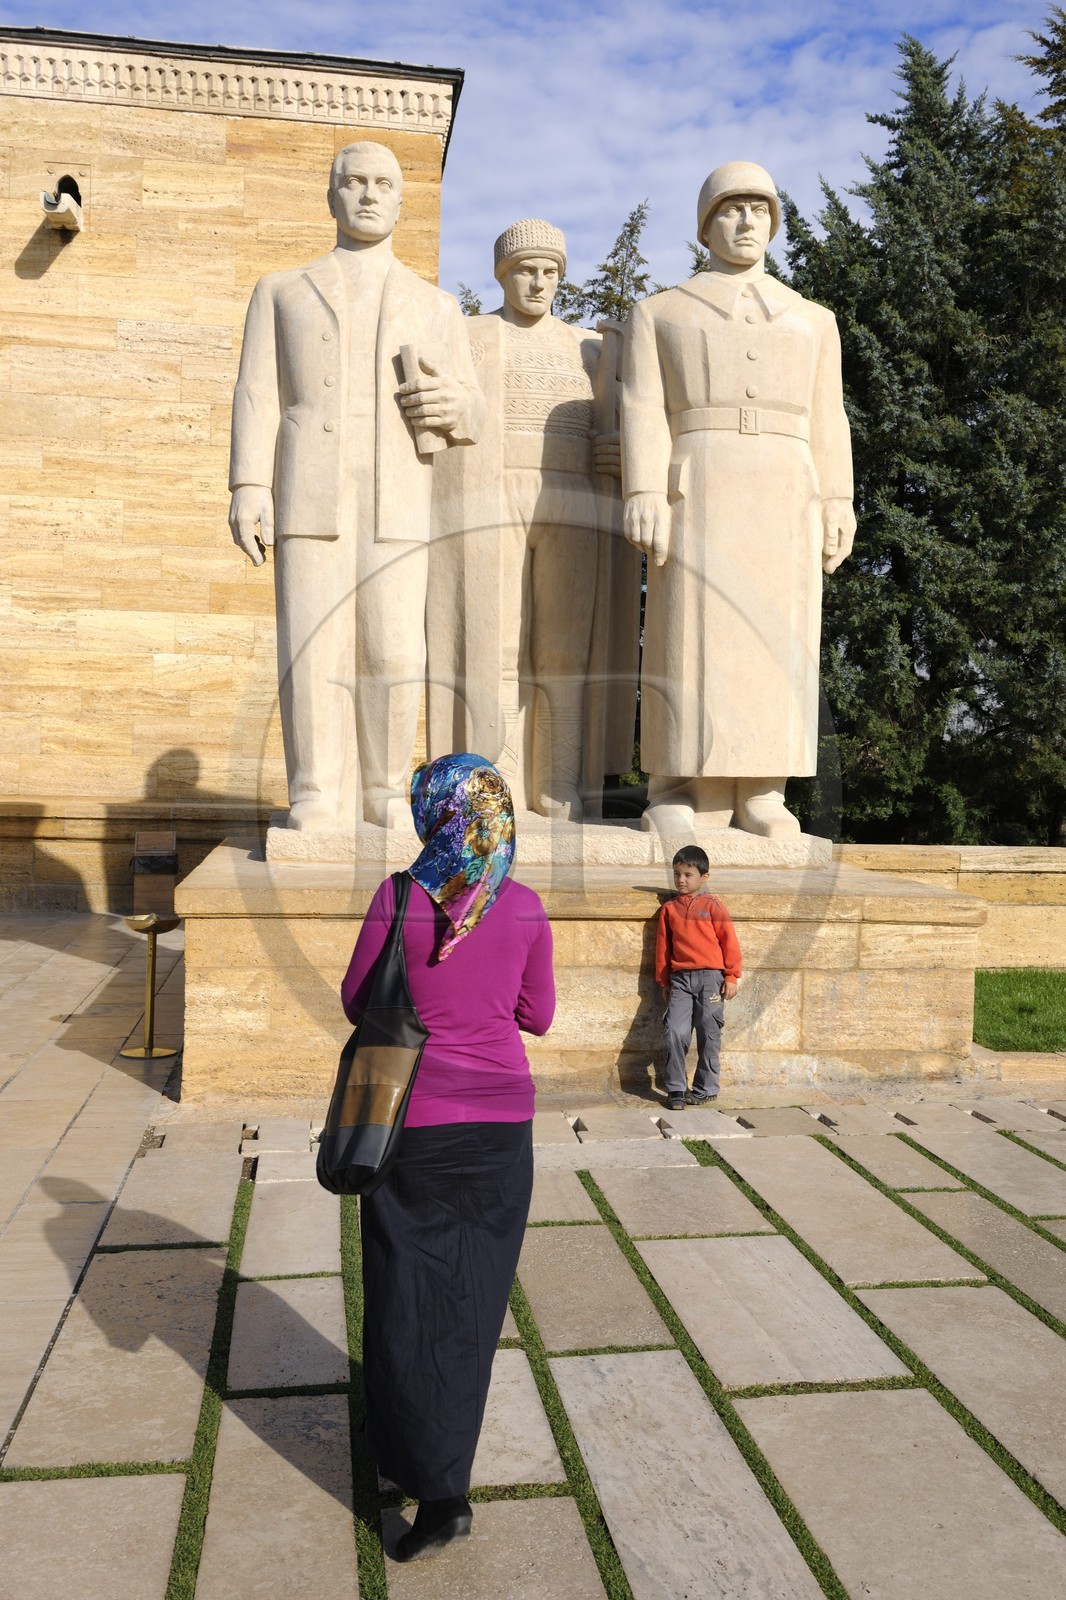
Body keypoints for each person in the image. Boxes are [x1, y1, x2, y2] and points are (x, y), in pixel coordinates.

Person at [228, 141, 483, 831]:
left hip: (400, 495)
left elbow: (473, 406)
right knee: (313, 641)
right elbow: (257, 390)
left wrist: (454, 409)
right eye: (354, 182)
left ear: (401, 202)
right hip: (310, 491)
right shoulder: (282, 290)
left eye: (382, 184)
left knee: (395, 646)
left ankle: (384, 790)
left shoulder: (436, 305)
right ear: (332, 194)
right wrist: (249, 482)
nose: (368, 194)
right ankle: (315, 789)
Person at [340, 752, 554, 1561]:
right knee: (469, 1303)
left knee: (404, 1294)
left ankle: (436, 1489)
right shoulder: (526, 905)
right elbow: (539, 1015)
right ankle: (426, 1458)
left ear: (434, 814)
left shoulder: (400, 898)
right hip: (502, 1131)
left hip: (413, 1127)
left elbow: (359, 1001)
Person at [621, 161, 855, 840]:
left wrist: (837, 498)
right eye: (731, 208)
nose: (747, 220)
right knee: (686, 634)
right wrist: (643, 487)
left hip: (787, 487)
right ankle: (675, 785)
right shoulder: (661, 311)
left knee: (772, 635)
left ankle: (762, 788)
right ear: (705, 224)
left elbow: (828, 416)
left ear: (775, 223)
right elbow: (642, 404)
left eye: (760, 209)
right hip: (699, 480)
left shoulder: (811, 319)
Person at [428, 218, 639, 819]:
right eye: (526, 270)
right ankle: (497, 780)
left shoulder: (591, 349)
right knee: (497, 645)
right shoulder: (470, 337)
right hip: (496, 495)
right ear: (503, 274)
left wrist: (619, 452)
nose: (539, 282)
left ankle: (560, 780)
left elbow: (629, 428)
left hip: (571, 497)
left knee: (566, 651)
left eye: (550, 272)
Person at [655, 845, 742, 1110]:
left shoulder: (713, 905)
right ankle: (676, 1088)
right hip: (680, 980)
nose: (681, 880)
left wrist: (732, 976)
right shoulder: (669, 910)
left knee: (709, 1031)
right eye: (677, 874)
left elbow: (729, 941)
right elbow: (663, 948)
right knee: (675, 1031)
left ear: (704, 876)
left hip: (711, 980)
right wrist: (664, 981)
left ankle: (705, 1088)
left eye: (688, 874)